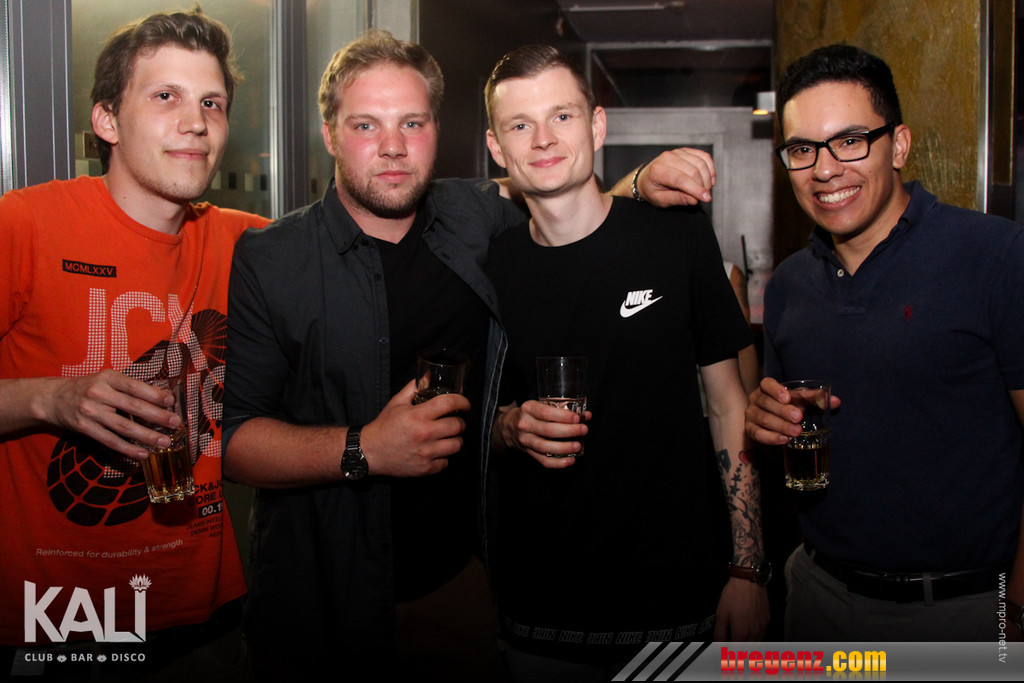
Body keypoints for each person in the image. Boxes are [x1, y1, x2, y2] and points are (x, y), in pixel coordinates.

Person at [221, 29, 720, 680]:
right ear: (330, 134)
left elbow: (561, 192)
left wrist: (638, 181)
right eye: (367, 125)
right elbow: (234, 442)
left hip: (455, 589)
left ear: (437, 130)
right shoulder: (271, 258)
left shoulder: (472, 217)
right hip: (318, 601)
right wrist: (366, 447)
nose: (393, 146)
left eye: (412, 123)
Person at [482, 45, 769, 680]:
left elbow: (729, 404)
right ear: (497, 148)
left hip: (677, 601)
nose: (543, 139)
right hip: (539, 611)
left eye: (562, 116)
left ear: (597, 125)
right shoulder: (489, 269)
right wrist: (509, 427)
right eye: (520, 125)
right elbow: (478, 421)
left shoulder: (678, 236)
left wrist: (748, 568)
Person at [0, 7, 269, 681]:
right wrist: (51, 399)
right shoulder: (24, 225)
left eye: (211, 102)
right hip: (57, 621)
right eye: (166, 96)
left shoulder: (245, 242)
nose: (196, 121)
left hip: (203, 609)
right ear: (108, 121)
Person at [745, 43, 1024, 641]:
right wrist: (765, 425)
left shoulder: (995, 255)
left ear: (897, 145)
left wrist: (1018, 607)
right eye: (802, 149)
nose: (824, 170)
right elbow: (801, 439)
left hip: (965, 610)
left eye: (849, 141)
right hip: (819, 596)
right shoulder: (789, 285)